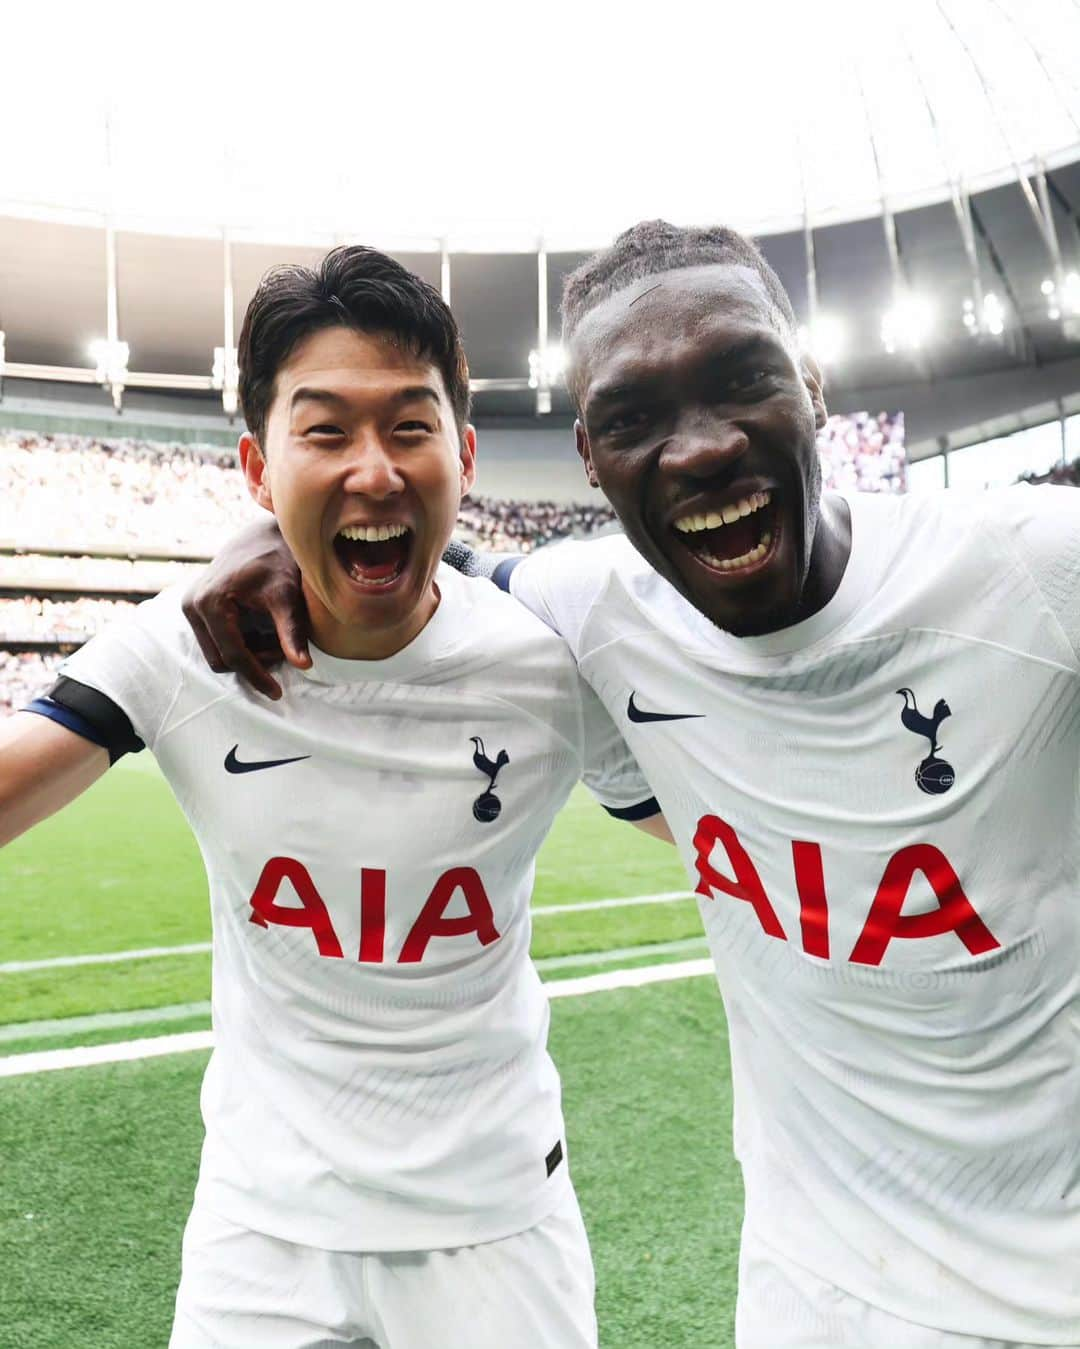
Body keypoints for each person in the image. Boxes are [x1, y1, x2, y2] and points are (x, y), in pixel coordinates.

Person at [186, 220, 1080, 1348]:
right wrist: (257, 533)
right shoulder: (586, 607)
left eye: (742, 378)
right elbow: (401, 551)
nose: (700, 448)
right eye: (634, 418)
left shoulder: (1038, 566)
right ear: (590, 459)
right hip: (813, 1297)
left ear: (813, 386)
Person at [0, 246, 666, 1349]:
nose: (374, 470)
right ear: (259, 468)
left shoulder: (550, 663)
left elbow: (715, 831)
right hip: (264, 1223)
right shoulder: (182, 649)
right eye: (326, 431)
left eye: (410, 427)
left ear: (465, 448)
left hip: (494, 1218)